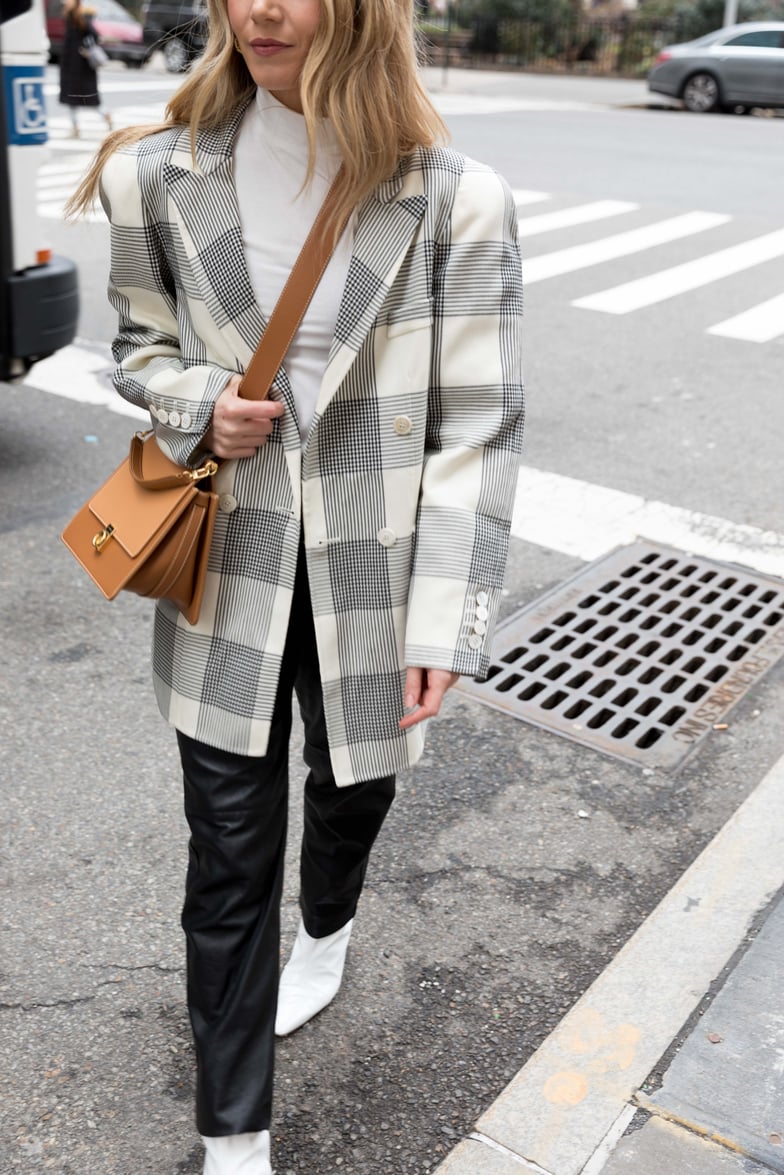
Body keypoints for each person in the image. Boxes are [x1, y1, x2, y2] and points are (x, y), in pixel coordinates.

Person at [69, 0, 525, 1171]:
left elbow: (477, 423)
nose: (263, 6)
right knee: (225, 846)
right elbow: (140, 347)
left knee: (352, 786)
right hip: (230, 558)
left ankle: (328, 926)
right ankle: (236, 1131)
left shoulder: (454, 197)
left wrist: (449, 617)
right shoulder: (155, 175)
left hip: (378, 565)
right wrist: (195, 404)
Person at [58, 0, 112, 138]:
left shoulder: (80, 16)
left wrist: (85, 50)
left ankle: (105, 115)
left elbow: (94, 34)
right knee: (71, 99)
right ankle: (75, 128)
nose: (64, 2)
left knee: (88, 98)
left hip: (81, 68)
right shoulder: (70, 15)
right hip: (70, 65)